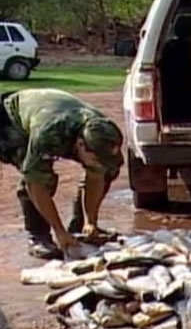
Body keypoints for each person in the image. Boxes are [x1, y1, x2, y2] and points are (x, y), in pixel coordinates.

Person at [0, 88, 124, 259]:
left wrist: (91, 221)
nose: (98, 163)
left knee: (108, 170)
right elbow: (34, 183)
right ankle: (39, 237)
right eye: (95, 159)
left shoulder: (102, 131)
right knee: (41, 178)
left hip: (57, 115)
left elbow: (96, 176)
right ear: (81, 145)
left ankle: (81, 229)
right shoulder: (49, 133)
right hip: (10, 119)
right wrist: (59, 230)